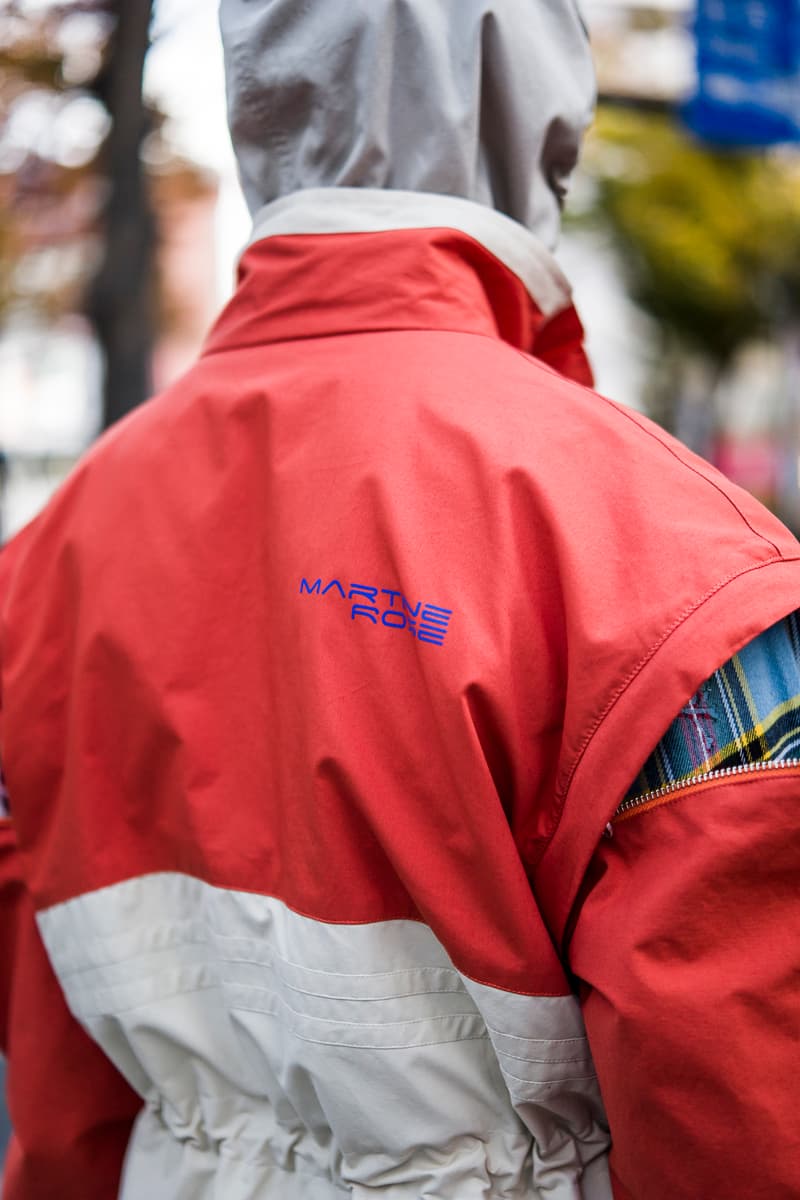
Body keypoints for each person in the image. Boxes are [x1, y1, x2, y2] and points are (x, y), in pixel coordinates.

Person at [1, 2, 799, 1197]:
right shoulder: (672, 560)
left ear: (259, 92)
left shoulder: (50, 552)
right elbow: (738, 1113)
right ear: (544, 110)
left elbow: (62, 1097)